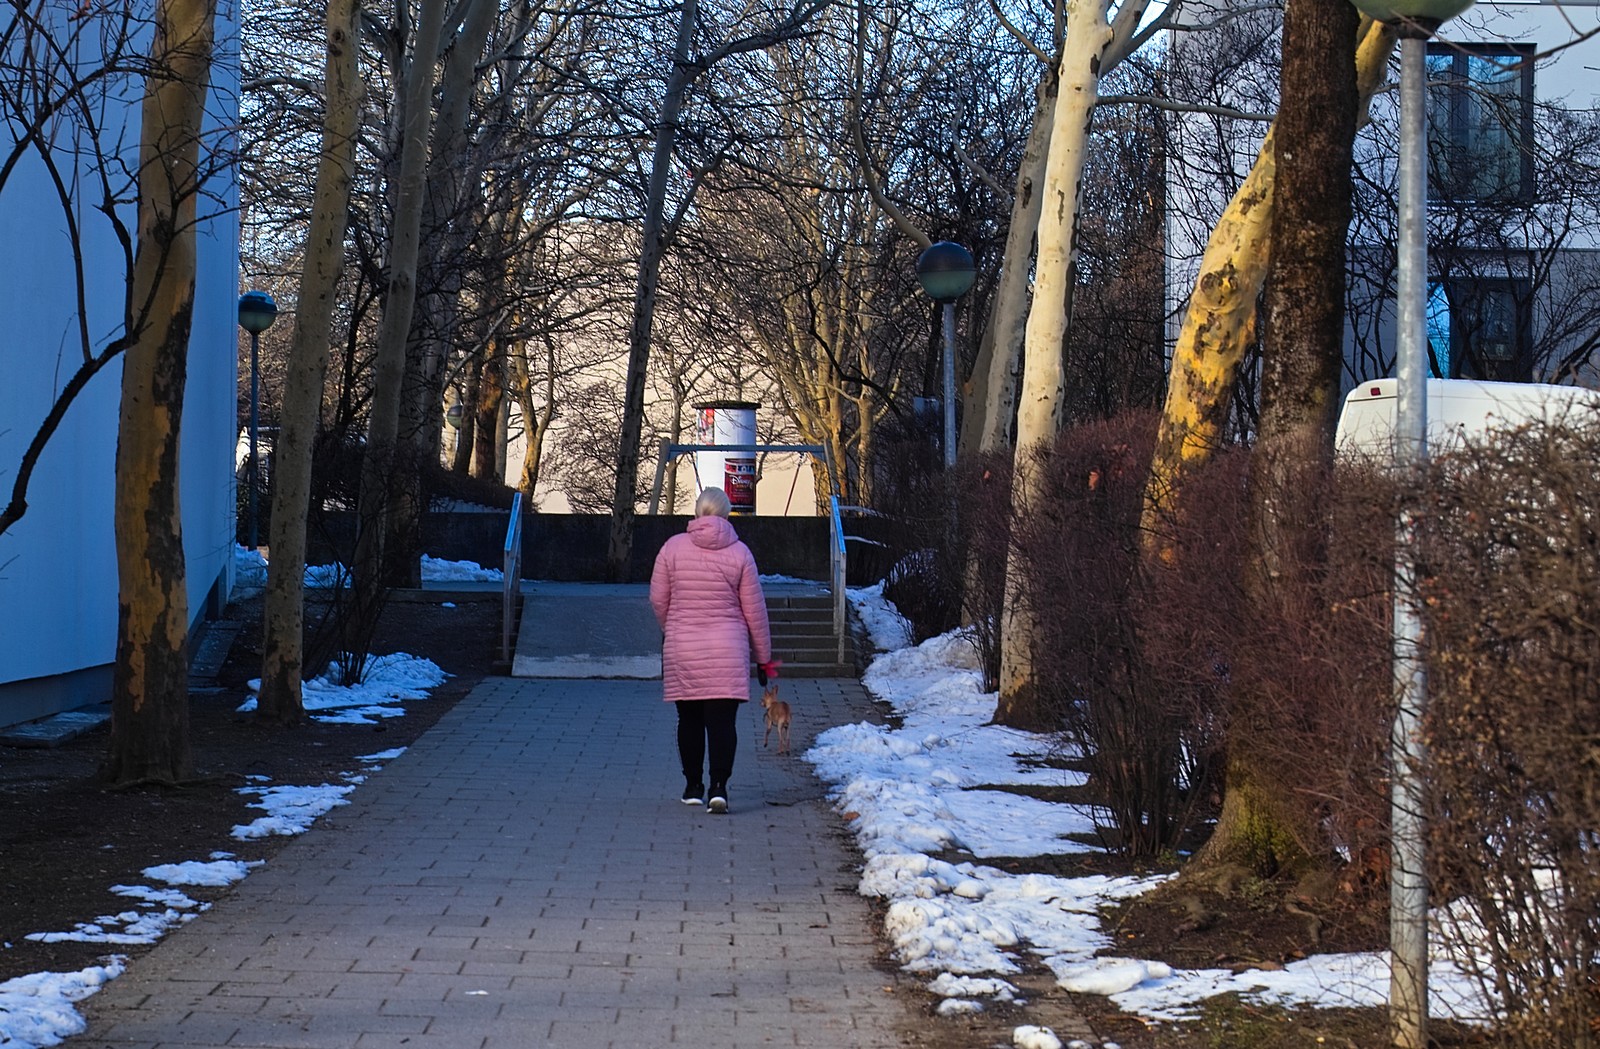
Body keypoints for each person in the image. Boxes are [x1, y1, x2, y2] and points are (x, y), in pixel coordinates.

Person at [649, 487, 777, 814]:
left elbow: (658, 599)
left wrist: (672, 628)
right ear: (726, 514)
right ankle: (719, 787)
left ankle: (693, 786)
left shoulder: (672, 548)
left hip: (683, 647)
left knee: (689, 718)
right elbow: (755, 611)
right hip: (728, 649)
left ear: (697, 512)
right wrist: (764, 658)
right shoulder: (740, 553)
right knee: (722, 723)